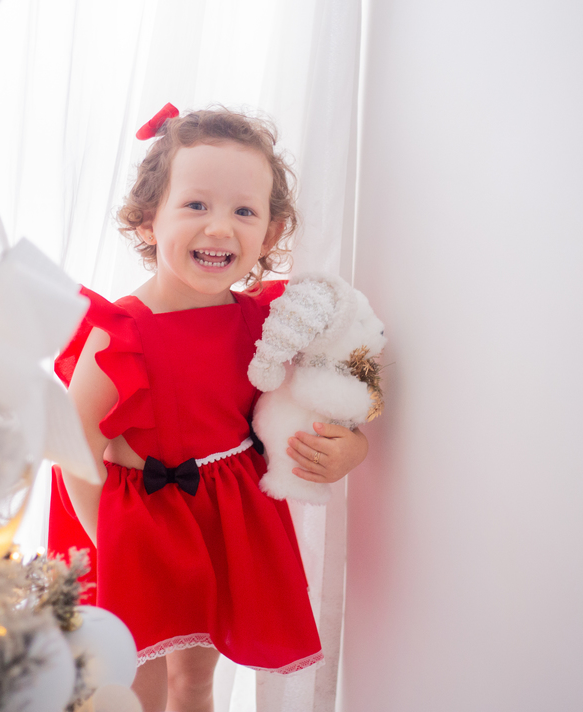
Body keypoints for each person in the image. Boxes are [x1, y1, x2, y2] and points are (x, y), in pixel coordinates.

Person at [49, 105, 368, 712]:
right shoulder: (120, 334)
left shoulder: (265, 323)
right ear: (149, 220)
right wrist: (110, 545)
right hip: (136, 529)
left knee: (193, 680)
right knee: (129, 684)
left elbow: (329, 391)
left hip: (221, 520)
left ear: (270, 235)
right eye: (196, 205)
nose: (220, 228)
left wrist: (352, 445)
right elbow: (74, 445)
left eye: (243, 211)